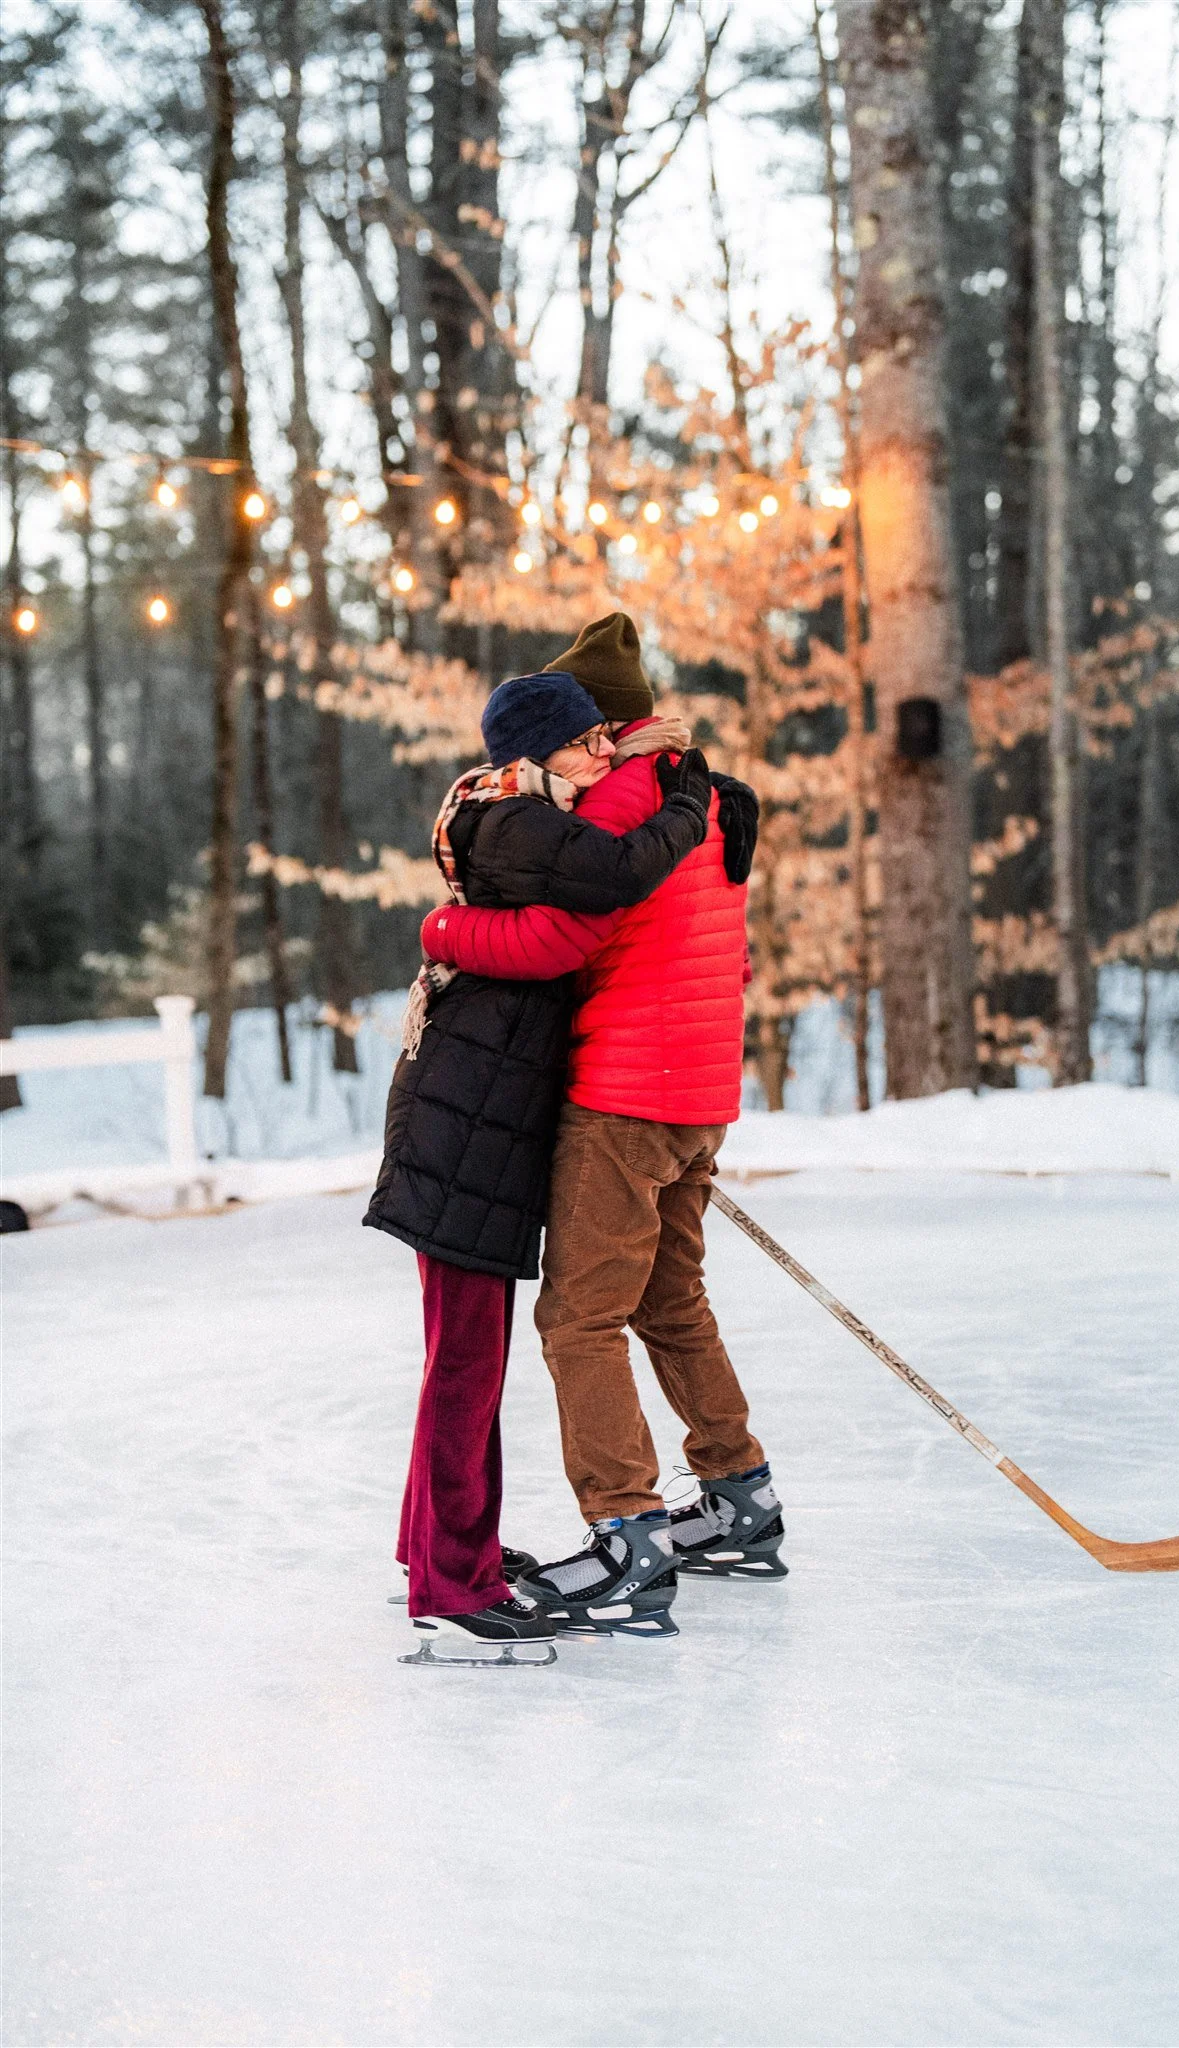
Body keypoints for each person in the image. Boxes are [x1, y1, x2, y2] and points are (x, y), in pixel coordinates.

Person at [418, 612, 783, 1643]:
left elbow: (561, 931)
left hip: (626, 1087)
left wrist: (443, 926)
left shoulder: (617, 798)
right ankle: (738, 1493)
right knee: (671, 1298)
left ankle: (626, 1537)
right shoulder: (703, 791)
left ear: (605, 723)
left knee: (578, 1318)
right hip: (703, 1084)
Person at [364, 665, 715, 1664]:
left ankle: (434, 1544)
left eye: (610, 739)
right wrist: (685, 792)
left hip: (478, 1120)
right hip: (466, 1125)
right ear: (536, 748)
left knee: (462, 1357)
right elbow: (611, 877)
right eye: (588, 740)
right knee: (466, 1366)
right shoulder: (516, 818)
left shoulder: (517, 814)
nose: (605, 752)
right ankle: (449, 1580)